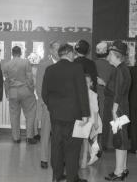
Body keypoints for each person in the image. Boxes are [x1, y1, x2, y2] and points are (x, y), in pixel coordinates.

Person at [42, 44, 90, 182]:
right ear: (69, 54)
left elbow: (44, 93)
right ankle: (71, 177)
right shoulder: (77, 68)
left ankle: (56, 176)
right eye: (73, 54)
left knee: (57, 146)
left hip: (56, 115)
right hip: (74, 116)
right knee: (73, 147)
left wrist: (52, 107)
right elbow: (82, 92)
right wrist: (85, 114)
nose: (74, 56)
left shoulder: (50, 69)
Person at [104, 40, 131, 181]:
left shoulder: (120, 70)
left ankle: (118, 172)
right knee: (123, 138)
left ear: (115, 55)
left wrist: (114, 111)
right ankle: (123, 168)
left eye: (110, 54)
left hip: (118, 109)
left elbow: (118, 93)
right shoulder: (123, 69)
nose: (108, 56)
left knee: (119, 140)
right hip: (123, 108)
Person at [4, 46, 37, 144]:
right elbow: (30, 77)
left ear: (12, 53)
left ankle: (16, 138)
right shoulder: (26, 62)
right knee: (30, 113)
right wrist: (31, 89)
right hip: (25, 90)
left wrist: (7, 92)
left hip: (13, 91)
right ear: (20, 53)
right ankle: (29, 137)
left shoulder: (6, 65)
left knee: (14, 115)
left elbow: (6, 81)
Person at [36, 40, 60, 169]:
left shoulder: (64, 63)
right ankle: (44, 158)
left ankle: (58, 158)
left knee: (59, 133)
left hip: (61, 105)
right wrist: (44, 103)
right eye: (56, 49)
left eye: (60, 49)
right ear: (51, 50)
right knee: (46, 132)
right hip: (48, 105)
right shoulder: (44, 64)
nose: (58, 52)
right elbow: (39, 86)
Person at [94, 41, 115, 151]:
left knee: (97, 120)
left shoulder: (93, 64)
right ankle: (109, 143)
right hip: (110, 96)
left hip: (96, 97)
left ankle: (97, 144)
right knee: (111, 118)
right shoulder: (113, 66)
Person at [80, 75, 102, 168]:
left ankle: (85, 162)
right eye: (83, 82)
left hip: (92, 120)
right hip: (84, 120)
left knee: (87, 140)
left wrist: (96, 122)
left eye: (87, 82)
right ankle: (94, 154)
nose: (85, 84)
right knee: (86, 140)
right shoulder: (80, 93)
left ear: (91, 84)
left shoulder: (93, 94)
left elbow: (96, 110)